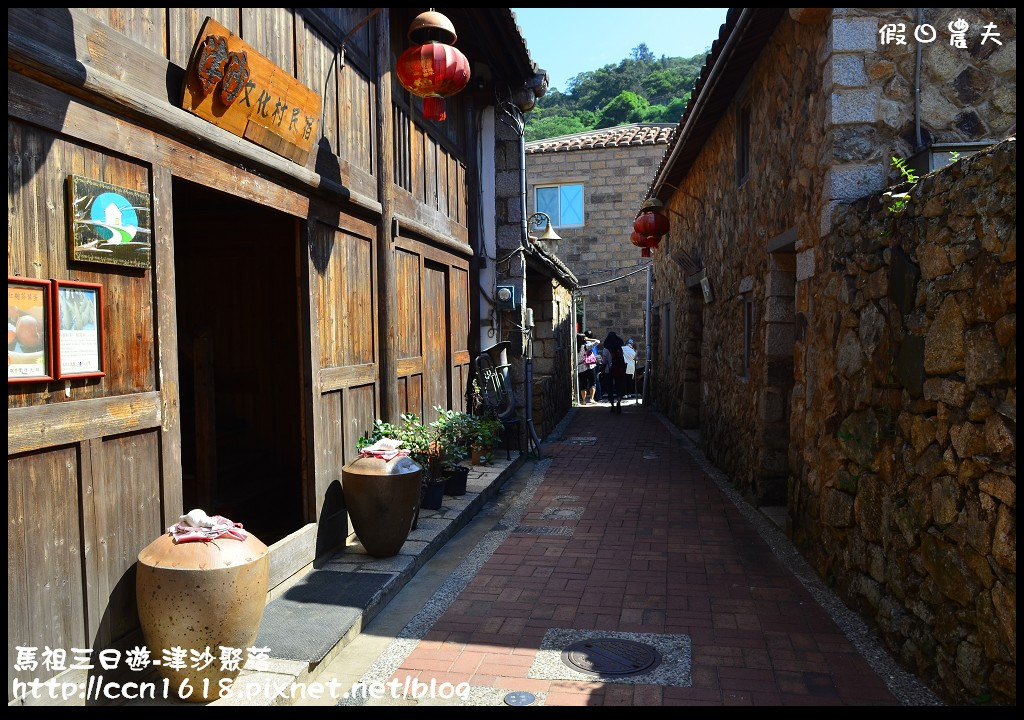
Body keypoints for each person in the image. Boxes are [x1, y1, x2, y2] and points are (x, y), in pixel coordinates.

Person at [603, 331, 627, 413]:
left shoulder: (606, 349)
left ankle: (612, 405)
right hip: (618, 369)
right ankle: (619, 402)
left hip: (609, 370)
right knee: (619, 386)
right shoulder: (619, 349)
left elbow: (604, 361)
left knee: (610, 388)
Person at [575, 334, 597, 405]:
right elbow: (597, 341)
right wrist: (588, 339)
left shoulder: (575, 348)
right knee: (592, 383)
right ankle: (591, 399)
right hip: (589, 366)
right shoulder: (585, 346)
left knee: (583, 385)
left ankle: (584, 400)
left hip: (581, 368)